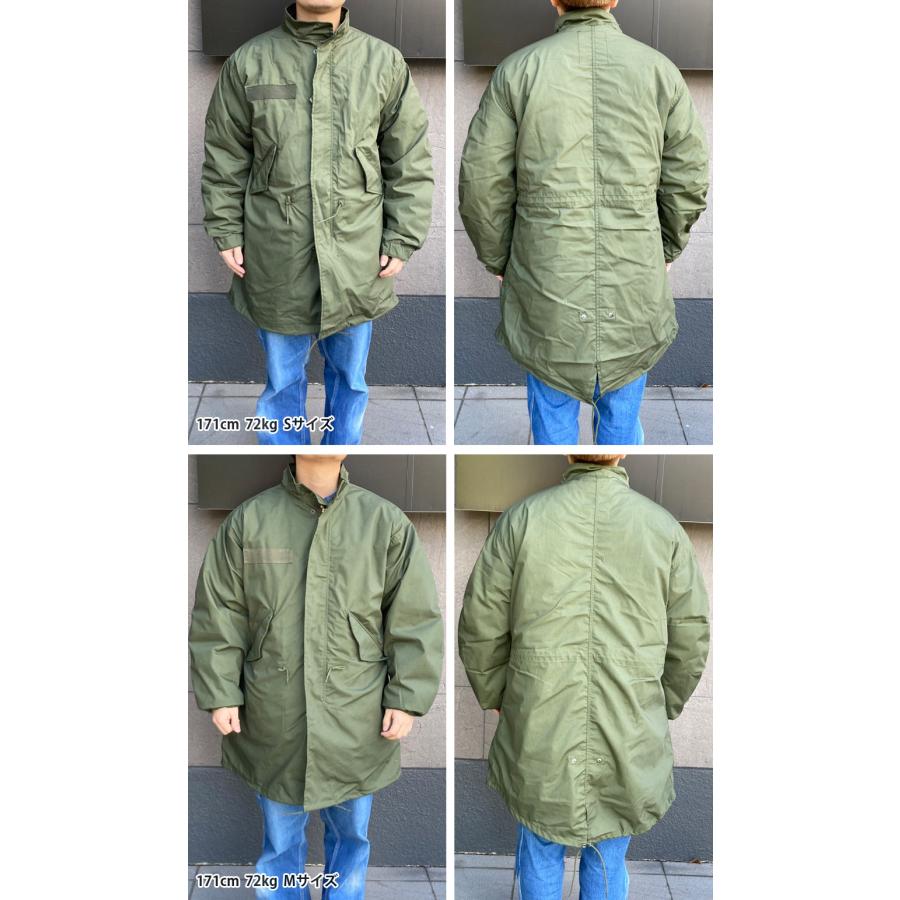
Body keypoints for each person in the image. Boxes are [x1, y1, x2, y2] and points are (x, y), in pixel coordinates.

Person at [189, 454, 444, 899]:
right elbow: (220, 612)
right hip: (273, 713)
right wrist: (220, 691)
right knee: (280, 843)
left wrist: (406, 698)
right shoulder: (251, 519)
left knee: (351, 839)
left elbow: (414, 618)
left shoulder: (383, 522)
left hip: (357, 717)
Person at [458, 454, 709, 900]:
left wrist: (499, 695)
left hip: (539, 715)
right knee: (609, 848)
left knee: (540, 845)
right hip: (629, 721)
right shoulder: (663, 527)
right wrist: (659, 705)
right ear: (622, 454)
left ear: (571, 455)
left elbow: (481, 623)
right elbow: (689, 637)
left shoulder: (523, 519)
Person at [458, 0, 709, 445]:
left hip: (545, 277)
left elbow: (482, 183)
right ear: (614, 1)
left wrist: (500, 258)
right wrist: (665, 248)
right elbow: (687, 178)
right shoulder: (659, 71)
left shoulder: (518, 71)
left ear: (555, 1)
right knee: (622, 421)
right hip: (633, 276)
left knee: (551, 418)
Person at [202, 2, 434, 445]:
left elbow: (408, 159)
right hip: (276, 248)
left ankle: (336, 456)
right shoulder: (250, 61)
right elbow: (225, 155)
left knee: (350, 379)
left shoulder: (383, 62)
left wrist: (402, 235)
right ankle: (286, 455)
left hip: (357, 253)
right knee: (282, 380)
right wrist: (226, 228)